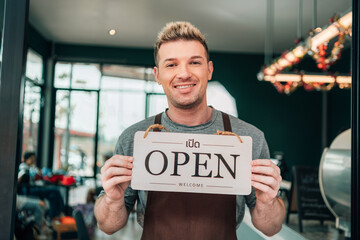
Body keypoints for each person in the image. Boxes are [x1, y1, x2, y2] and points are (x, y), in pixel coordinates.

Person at [94, 21, 286, 239]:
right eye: (171, 64)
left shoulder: (248, 139)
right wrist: (112, 199)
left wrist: (268, 200)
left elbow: (271, 228)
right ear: (157, 75)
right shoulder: (135, 139)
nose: (183, 73)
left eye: (194, 62)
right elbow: (108, 225)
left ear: (209, 70)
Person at [18, 151, 65, 219]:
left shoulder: (31, 167)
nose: (33, 160)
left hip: (35, 187)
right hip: (30, 189)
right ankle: (59, 213)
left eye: (34, 158)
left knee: (53, 196)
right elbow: (26, 179)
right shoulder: (23, 168)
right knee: (55, 190)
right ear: (26, 159)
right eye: (31, 158)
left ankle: (52, 216)